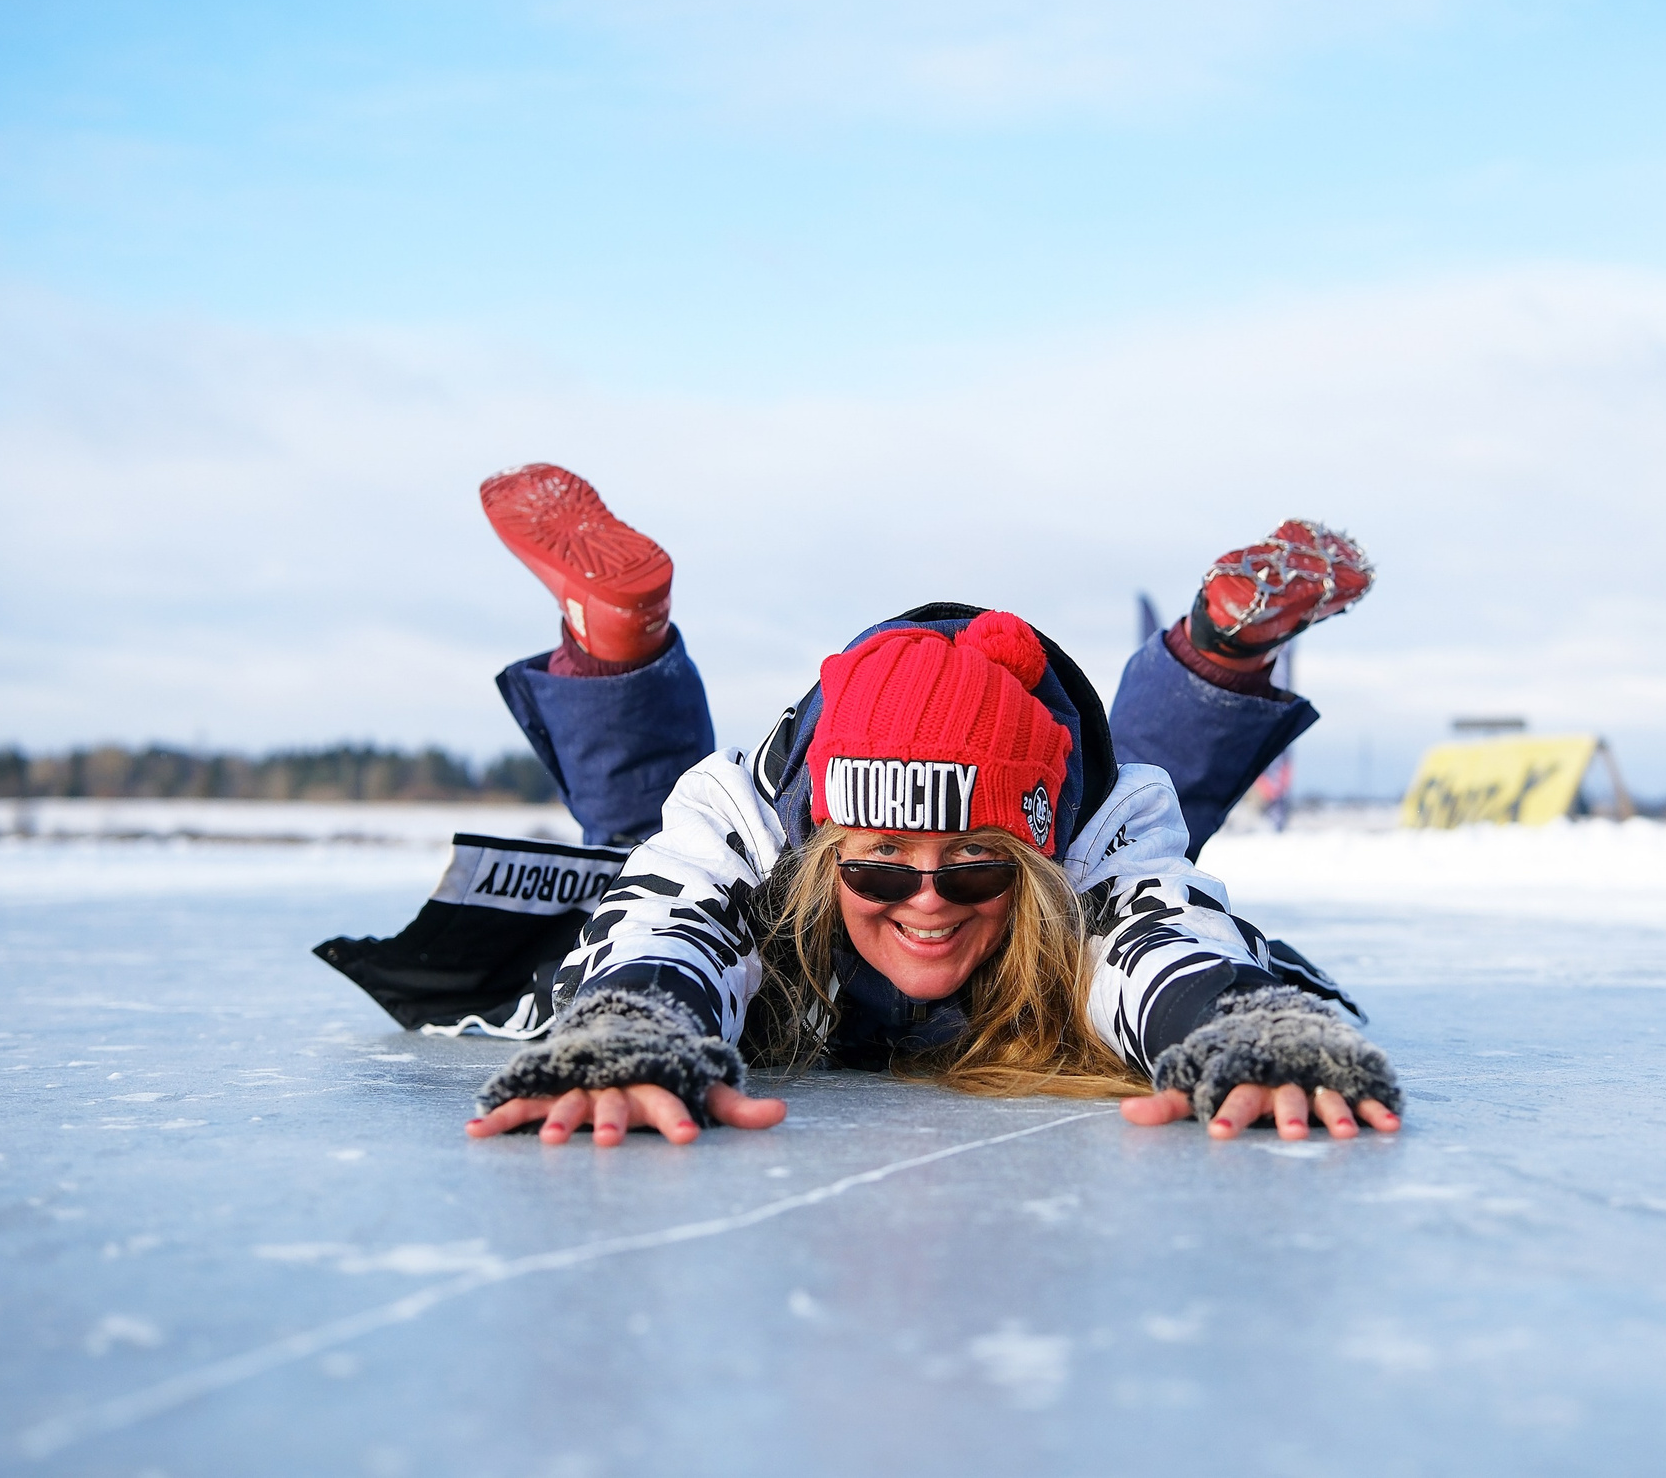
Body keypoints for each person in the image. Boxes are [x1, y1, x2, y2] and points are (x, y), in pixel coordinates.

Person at [455, 464, 1401, 1148]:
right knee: (633, 849)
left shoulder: (1093, 844)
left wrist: (1244, 1031)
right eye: (877, 865)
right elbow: (671, 920)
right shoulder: (746, 822)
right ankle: (615, 636)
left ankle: (617, 646)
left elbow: (1153, 936)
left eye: (979, 864)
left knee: (1141, 831)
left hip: (1068, 802)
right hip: (904, 824)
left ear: (1035, 855)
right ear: (824, 846)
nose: (928, 901)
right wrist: (629, 1035)